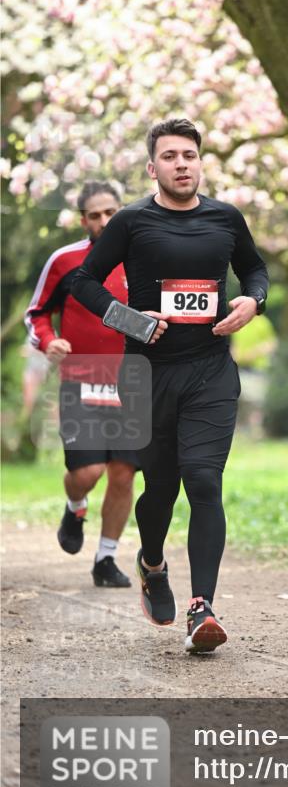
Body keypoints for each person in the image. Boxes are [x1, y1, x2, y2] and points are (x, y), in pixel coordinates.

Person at [72, 118, 269, 654]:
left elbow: (255, 271)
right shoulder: (132, 222)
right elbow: (82, 281)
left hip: (210, 372)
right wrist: (132, 319)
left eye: (190, 155)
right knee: (160, 488)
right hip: (147, 375)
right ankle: (152, 563)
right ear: (152, 166)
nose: (182, 163)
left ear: (200, 162)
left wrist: (254, 301)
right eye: (171, 156)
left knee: (203, 481)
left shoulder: (225, 218)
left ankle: (201, 607)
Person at [24, 181, 137, 587]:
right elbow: (36, 312)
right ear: (83, 219)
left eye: (111, 213)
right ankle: (76, 506)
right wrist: (49, 340)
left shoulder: (143, 258)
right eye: (95, 215)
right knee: (88, 471)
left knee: (123, 472)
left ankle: (106, 560)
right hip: (82, 374)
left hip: (133, 378)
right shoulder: (65, 260)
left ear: (122, 212)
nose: (104, 221)